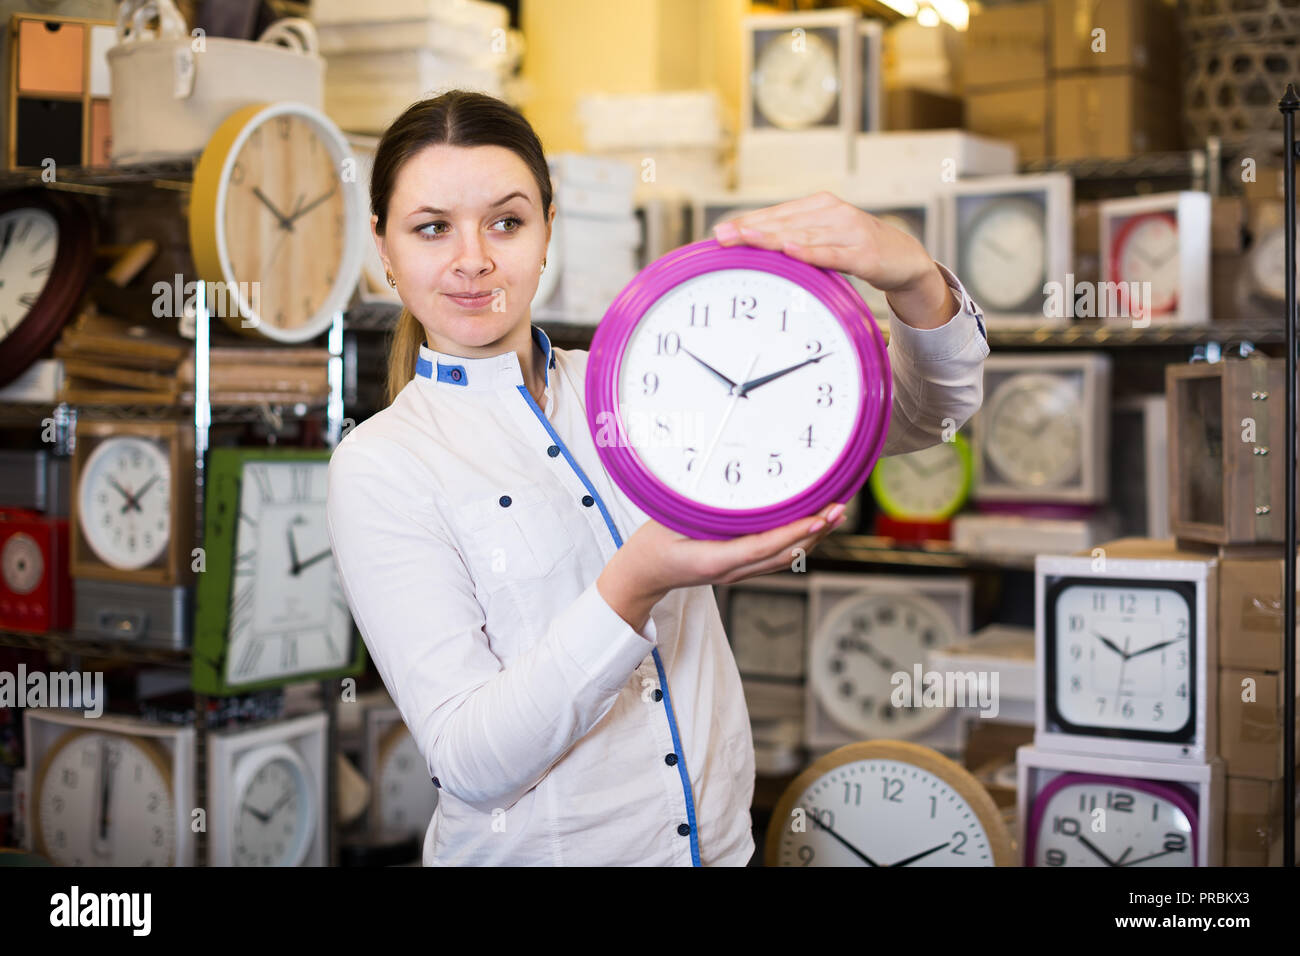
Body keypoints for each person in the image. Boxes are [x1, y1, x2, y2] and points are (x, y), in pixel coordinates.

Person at [325, 90, 990, 866]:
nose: (473, 258)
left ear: (547, 232)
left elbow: (917, 416)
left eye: (506, 222)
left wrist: (909, 273)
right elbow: (470, 762)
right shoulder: (380, 464)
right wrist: (631, 586)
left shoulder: (643, 377)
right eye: (432, 227)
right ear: (383, 248)